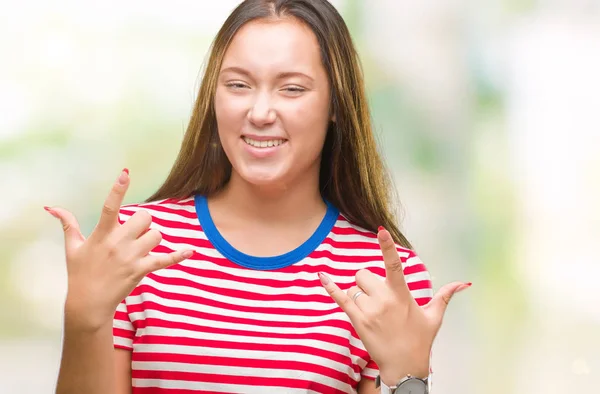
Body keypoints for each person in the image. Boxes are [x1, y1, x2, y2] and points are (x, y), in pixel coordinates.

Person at [49, 0, 470, 393]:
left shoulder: (385, 275)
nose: (260, 112)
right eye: (238, 85)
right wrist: (83, 319)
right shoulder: (135, 245)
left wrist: (408, 378)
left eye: (291, 89)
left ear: (336, 105)